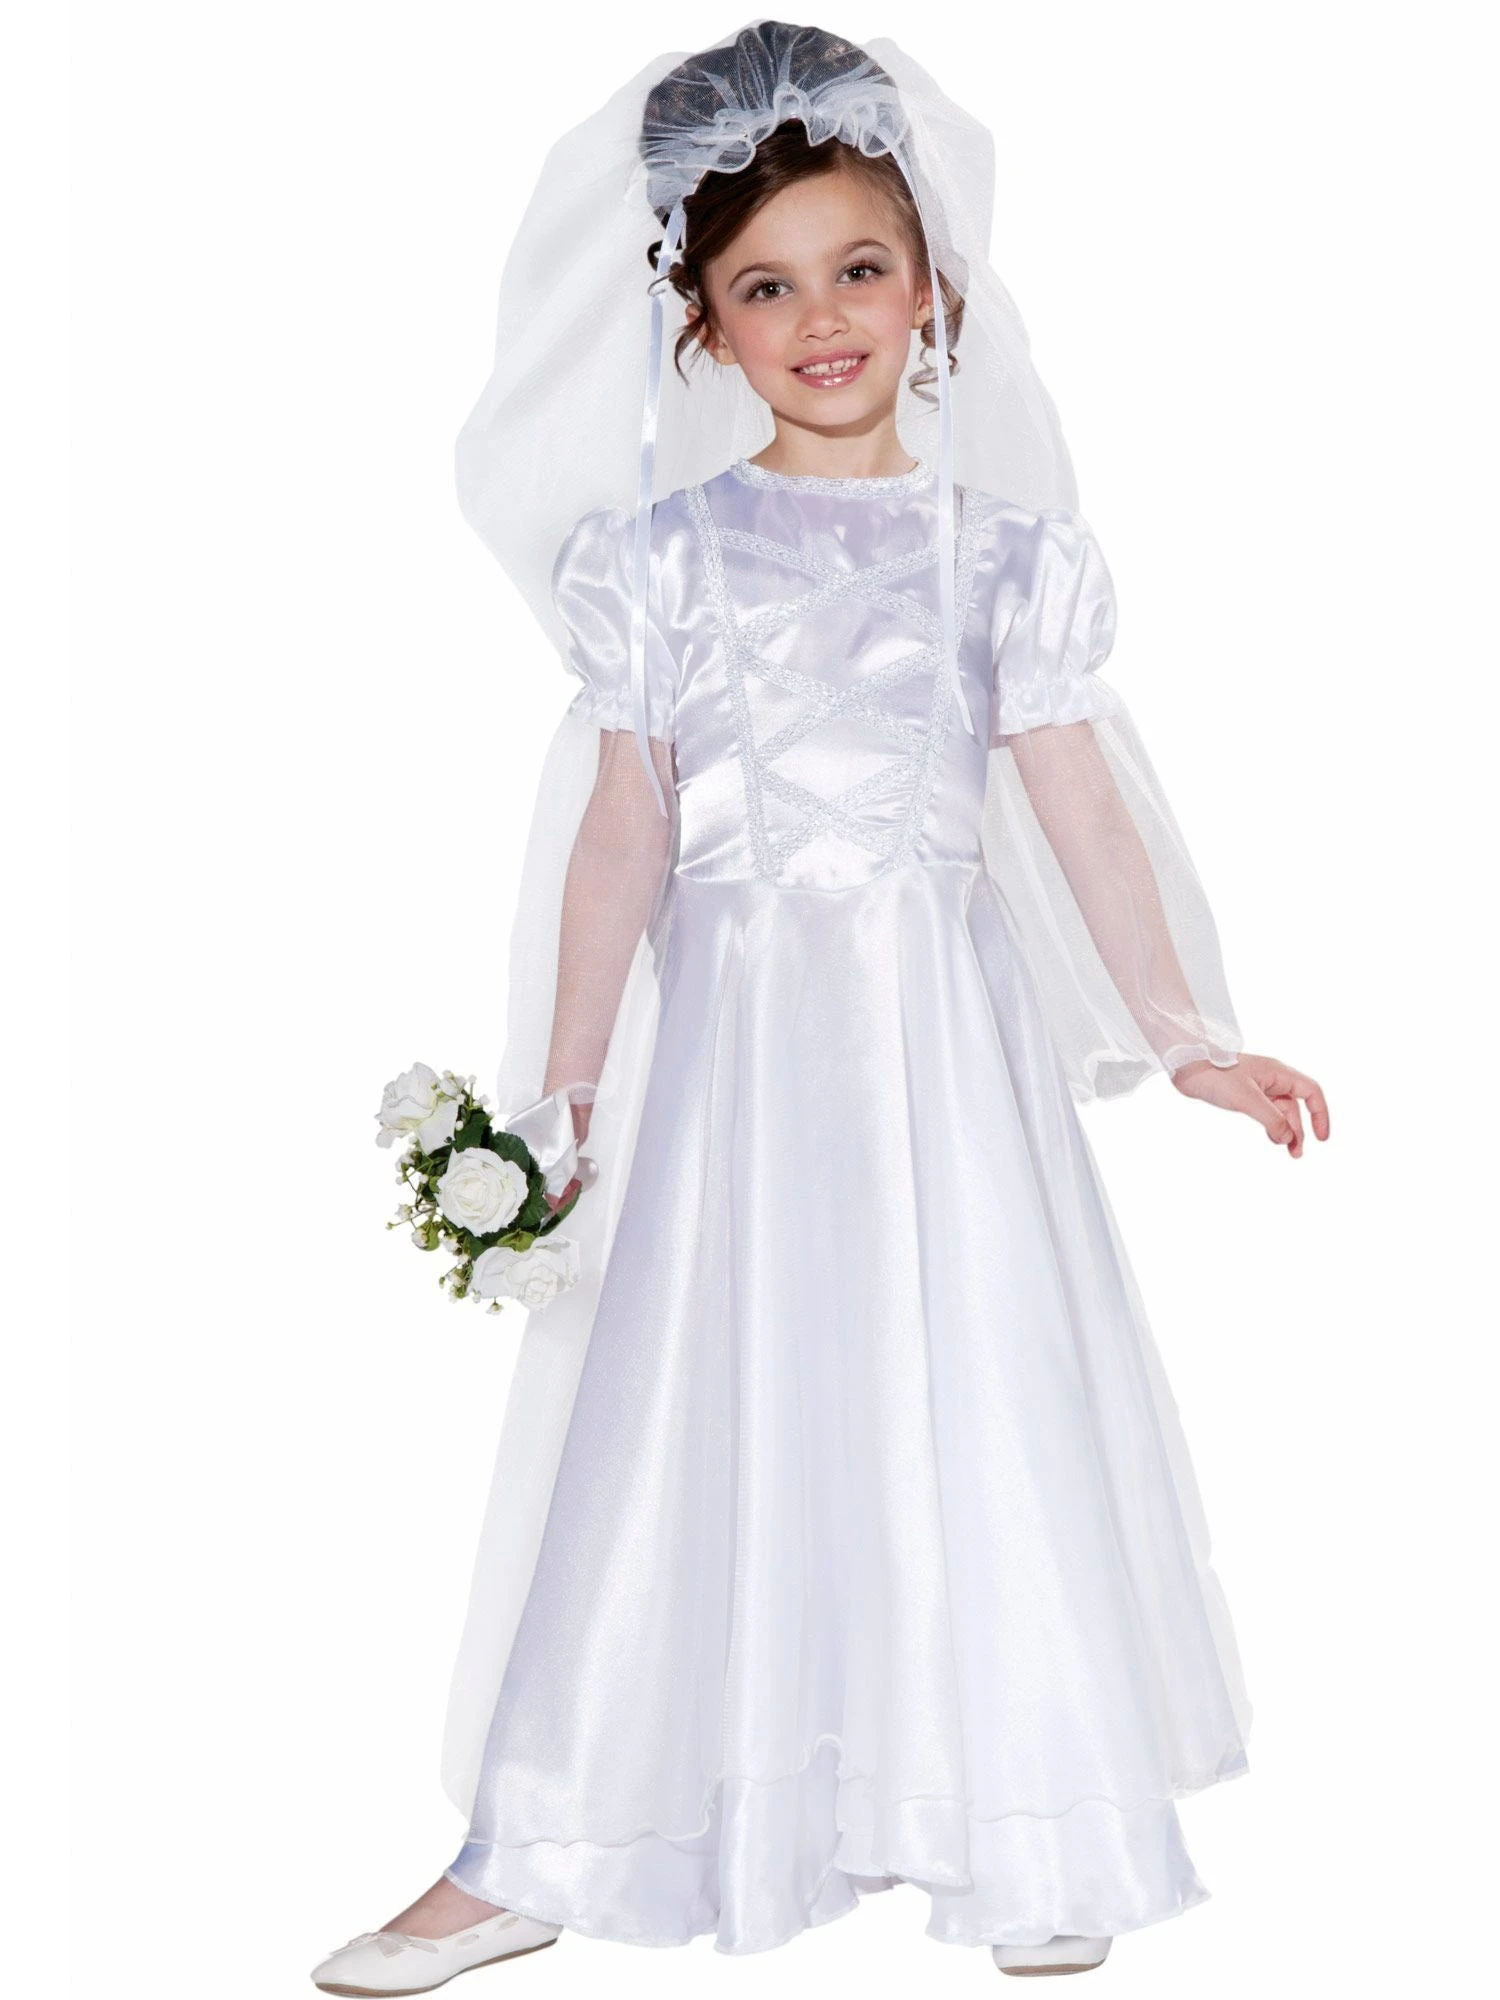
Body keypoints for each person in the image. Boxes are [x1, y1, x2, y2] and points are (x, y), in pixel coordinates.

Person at [312, 20, 1328, 1989]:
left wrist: (1188, 1029)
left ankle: (1026, 1815)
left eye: (859, 266)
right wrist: (564, 1095)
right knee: (687, 1409)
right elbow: (622, 834)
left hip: (942, 1052)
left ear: (934, 286)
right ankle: (554, 1831)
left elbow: (1080, 804)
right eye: (765, 286)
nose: (823, 317)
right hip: (738, 1063)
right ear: (701, 325)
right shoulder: (658, 562)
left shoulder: (1002, 559)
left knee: (977, 1391)